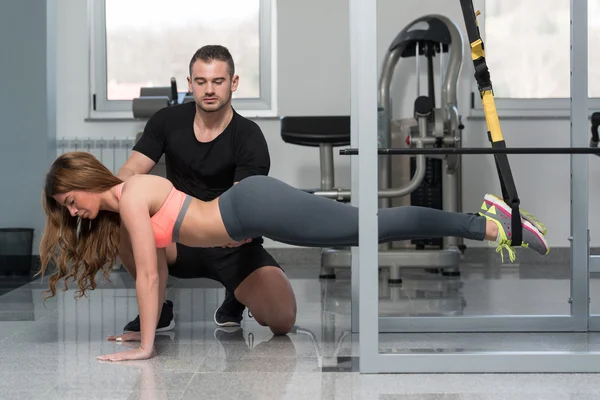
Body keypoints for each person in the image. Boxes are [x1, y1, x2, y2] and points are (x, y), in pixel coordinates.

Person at [38, 151, 549, 362]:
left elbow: (149, 275)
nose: (75, 213)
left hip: (248, 206)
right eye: (66, 210)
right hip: (245, 213)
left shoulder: (128, 196)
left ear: (83, 180)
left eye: (69, 201)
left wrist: (146, 348)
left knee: (362, 229)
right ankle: (488, 223)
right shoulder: (126, 202)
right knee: (361, 230)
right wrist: (142, 329)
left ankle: (488, 222)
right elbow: (159, 270)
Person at [116, 45, 289, 333]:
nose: (209, 89)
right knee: (119, 217)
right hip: (177, 239)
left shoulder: (249, 137)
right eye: (201, 82)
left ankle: (236, 295)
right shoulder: (166, 121)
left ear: (233, 83)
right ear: (190, 84)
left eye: (218, 81)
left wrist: (227, 237)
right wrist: (118, 199)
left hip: (232, 245)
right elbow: (131, 170)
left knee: (282, 320)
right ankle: (157, 310)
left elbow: (242, 206)